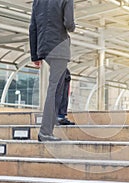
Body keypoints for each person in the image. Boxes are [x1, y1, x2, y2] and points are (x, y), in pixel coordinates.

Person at [29, 0, 76, 142]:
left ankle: (57, 116)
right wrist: (73, 26)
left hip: (44, 47)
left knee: (64, 78)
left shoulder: (38, 1)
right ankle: (45, 132)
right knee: (54, 88)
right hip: (59, 48)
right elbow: (69, 24)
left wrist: (35, 55)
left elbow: (33, 27)